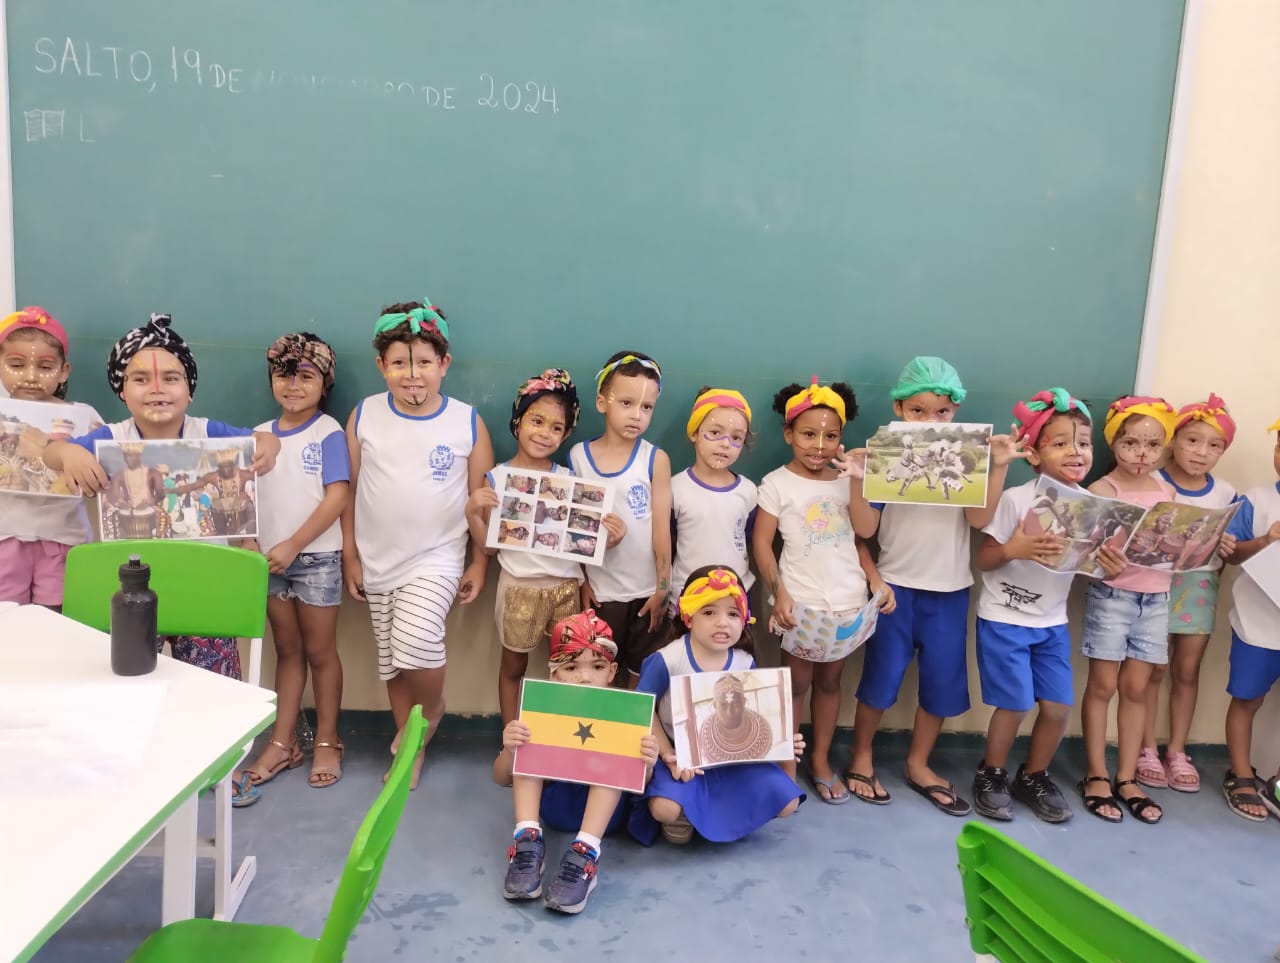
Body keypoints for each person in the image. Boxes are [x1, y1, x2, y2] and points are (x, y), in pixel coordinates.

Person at [43, 313, 280, 806]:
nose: (157, 389)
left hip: (202, 586)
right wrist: (68, 456)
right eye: (140, 379)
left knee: (214, 685)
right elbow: (48, 451)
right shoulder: (108, 437)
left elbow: (263, 441)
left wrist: (266, 445)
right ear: (122, 391)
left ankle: (222, 763)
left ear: (189, 390)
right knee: (128, 682)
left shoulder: (208, 430)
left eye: (171, 377)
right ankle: (139, 768)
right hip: (131, 590)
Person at [840, 357, 1024, 813]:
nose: (930, 421)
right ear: (899, 409)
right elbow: (864, 529)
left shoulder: (969, 455)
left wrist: (997, 468)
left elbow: (980, 520)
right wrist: (859, 483)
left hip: (949, 590)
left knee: (941, 684)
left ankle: (918, 763)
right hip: (896, 587)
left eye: (941, 412)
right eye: (918, 411)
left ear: (955, 412)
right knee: (879, 679)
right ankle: (861, 756)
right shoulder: (884, 451)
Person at [341, 297, 493, 790]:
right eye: (401, 363)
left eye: (425, 362)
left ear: (443, 365)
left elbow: (481, 500)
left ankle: (432, 710)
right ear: (382, 365)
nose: (413, 374)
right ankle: (412, 750)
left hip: (438, 557)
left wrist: (479, 563)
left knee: (416, 646)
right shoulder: (363, 416)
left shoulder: (467, 422)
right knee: (392, 662)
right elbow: (347, 489)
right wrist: (350, 553)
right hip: (378, 557)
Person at [971, 389, 1124, 823]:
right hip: (1005, 617)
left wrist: (1110, 570)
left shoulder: (1095, 509)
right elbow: (985, 558)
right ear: (1034, 455)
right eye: (1060, 443)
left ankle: (1033, 775)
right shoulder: (1017, 499)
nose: (1075, 452)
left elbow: (1092, 566)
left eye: (1083, 443)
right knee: (1016, 703)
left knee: (1057, 708)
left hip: (1051, 622)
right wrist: (1015, 548)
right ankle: (992, 773)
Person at [753, 378, 895, 804]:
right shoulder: (776, 483)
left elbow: (862, 535)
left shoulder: (845, 479)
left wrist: (875, 579)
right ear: (788, 434)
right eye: (809, 434)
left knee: (831, 684)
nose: (819, 445)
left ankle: (819, 760)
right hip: (800, 604)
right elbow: (762, 543)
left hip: (847, 602)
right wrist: (778, 591)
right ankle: (788, 765)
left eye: (830, 436)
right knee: (795, 684)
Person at [494, 610, 659, 914]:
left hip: (605, 815)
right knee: (527, 743)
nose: (585, 677)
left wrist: (647, 764)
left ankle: (585, 854)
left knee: (614, 756)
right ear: (554, 674)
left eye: (597, 667)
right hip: (554, 809)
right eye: (572, 667)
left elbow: (641, 785)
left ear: (611, 672)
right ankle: (527, 840)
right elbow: (501, 777)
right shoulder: (542, 712)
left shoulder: (624, 716)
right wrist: (510, 750)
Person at [240, 334, 349, 791]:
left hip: (316, 557)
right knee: (286, 651)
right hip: (268, 560)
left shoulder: (329, 433)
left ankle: (327, 738)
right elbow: (240, 494)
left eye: (307, 376)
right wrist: (250, 541)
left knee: (320, 652)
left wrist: (294, 544)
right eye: (284, 375)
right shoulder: (257, 435)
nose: (294, 385)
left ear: (324, 384)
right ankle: (284, 742)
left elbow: (338, 496)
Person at [638, 566, 804, 844]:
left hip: (730, 759)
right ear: (689, 617)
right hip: (681, 759)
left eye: (732, 613)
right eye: (709, 612)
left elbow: (756, 717)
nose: (722, 623)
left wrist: (783, 742)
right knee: (664, 809)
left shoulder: (744, 661)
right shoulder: (668, 658)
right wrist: (668, 754)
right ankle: (684, 813)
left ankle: (728, 813)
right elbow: (643, 705)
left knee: (788, 803)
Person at [1077, 397, 1181, 825]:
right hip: (1113, 598)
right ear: (1114, 442)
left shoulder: (1166, 490)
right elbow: (1084, 555)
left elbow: (1173, 545)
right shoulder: (1102, 491)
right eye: (1132, 442)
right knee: (1103, 685)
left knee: (1138, 688)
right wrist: (1103, 561)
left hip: (1156, 599)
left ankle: (1127, 777)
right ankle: (1097, 774)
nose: (1143, 453)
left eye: (1153, 445)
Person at [466, 368, 584, 724]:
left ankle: (562, 738)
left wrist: (610, 536)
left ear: (565, 436)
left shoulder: (568, 481)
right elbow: (487, 549)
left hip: (565, 587)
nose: (544, 433)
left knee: (569, 667)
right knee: (513, 664)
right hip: (518, 587)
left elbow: (581, 542)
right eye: (537, 420)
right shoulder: (497, 479)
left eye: (556, 428)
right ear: (518, 421)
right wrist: (473, 511)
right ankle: (510, 737)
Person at [1139, 394, 1239, 792]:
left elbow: (1228, 552)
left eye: (1214, 445)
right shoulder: (1154, 484)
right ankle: (1146, 746)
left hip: (1200, 585)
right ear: (1174, 441)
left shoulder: (1226, 492)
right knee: (1152, 669)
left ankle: (1177, 750)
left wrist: (1227, 549)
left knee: (1186, 671)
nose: (1201, 452)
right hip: (1157, 583)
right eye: (1192, 440)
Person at [568, 351, 672, 686]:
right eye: (626, 403)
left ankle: (632, 737)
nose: (637, 415)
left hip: (646, 594)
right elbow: (571, 526)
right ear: (602, 402)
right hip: (602, 592)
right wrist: (582, 580)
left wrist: (662, 587)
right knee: (601, 671)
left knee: (639, 676)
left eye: (646, 408)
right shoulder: (578, 457)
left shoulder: (655, 459)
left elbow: (661, 531)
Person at [0, 307, 103, 607]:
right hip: (5, 537)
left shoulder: (83, 417)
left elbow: (107, 466)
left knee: (58, 619)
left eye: (44, 367)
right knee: (8, 624)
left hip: (63, 539)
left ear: (63, 371)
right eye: (16, 365)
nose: (31, 377)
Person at [1220, 416, 1280, 821]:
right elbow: (1230, 552)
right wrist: (1265, 540)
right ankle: (1241, 773)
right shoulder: (1256, 500)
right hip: (1258, 621)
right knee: (1247, 697)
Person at [670, 387, 757, 628]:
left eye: (736, 438)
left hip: (736, 597)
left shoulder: (748, 491)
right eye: (715, 433)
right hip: (688, 597)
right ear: (695, 433)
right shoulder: (675, 488)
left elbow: (748, 537)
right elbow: (666, 543)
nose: (725, 444)